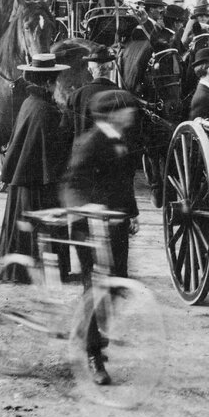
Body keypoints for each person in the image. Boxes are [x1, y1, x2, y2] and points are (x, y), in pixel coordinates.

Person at [60, 88, 140, 387]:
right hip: (89, 225)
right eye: (126, 109)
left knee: (118, 282)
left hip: (115, 223)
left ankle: (88, 331)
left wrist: (131, 214)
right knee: (94, 289)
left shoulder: (121, 141)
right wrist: (86, 207)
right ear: (112, 114)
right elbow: (71, 183)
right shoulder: (89, 142)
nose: (131, 113)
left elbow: (125, 183)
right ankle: (93, 354)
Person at [0, 51, 74, 275]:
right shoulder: (47, 110)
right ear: (48, 83)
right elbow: (54, 151)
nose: (57, 86)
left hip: (23, 180)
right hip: (39, 183)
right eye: (55, 81)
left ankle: (19, 269)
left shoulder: (29, 103)